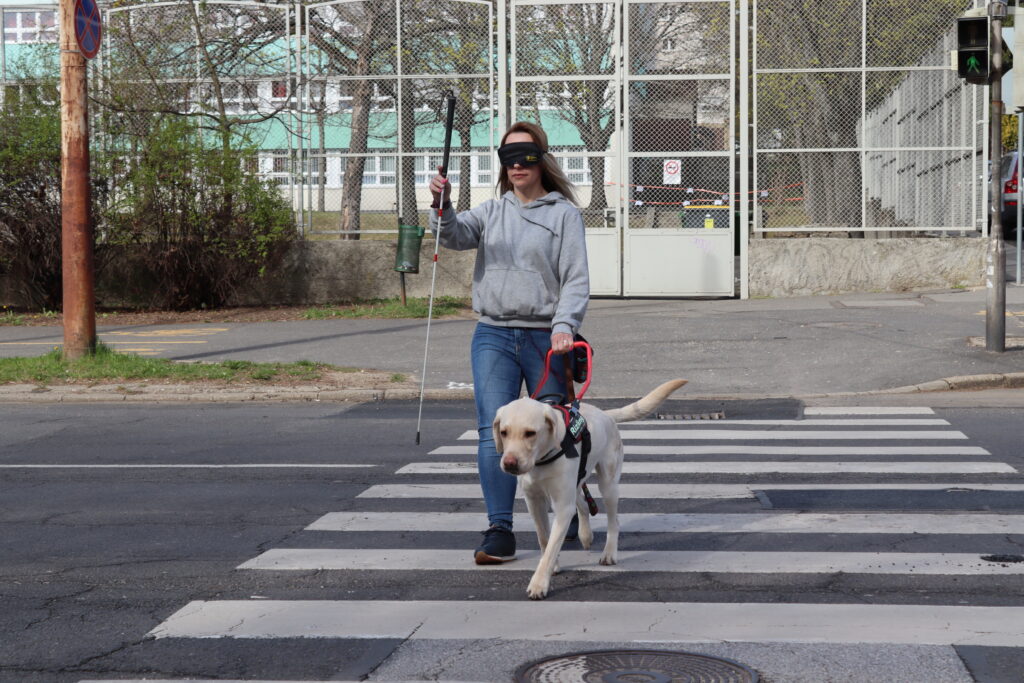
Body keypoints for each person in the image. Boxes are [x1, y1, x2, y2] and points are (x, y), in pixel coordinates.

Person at [428, 121, 590, 564]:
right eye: (508, 158)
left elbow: (576, 279)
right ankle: (499, 529)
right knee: (492, 432)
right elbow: (453, 235)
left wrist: (564, 325)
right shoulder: (491, 211)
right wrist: (442, 205)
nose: (517, 165)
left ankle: (563, 509)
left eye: (526, 156)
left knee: (554, 429)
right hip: (493, 334)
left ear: (543, 160)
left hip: (546, 338)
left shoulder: (564, 215)